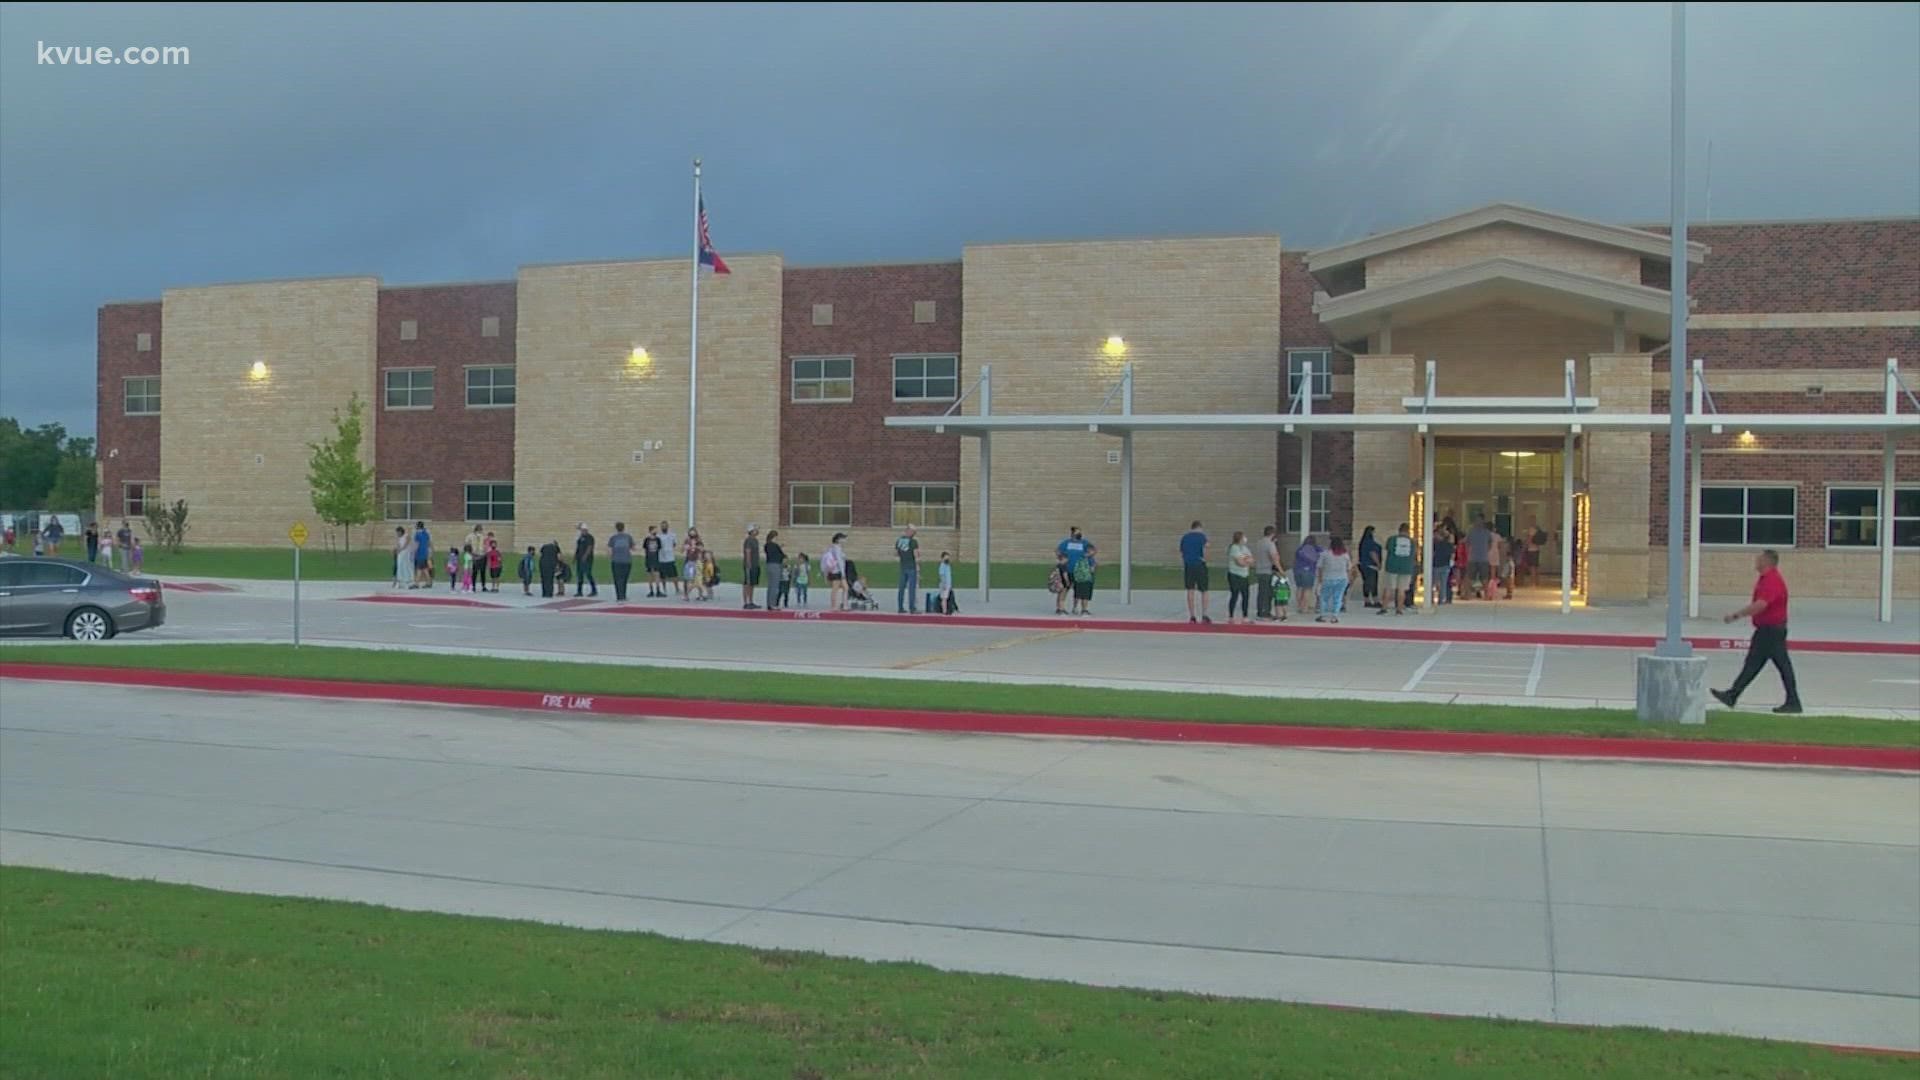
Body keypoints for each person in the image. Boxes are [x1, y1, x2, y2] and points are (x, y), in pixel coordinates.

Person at [1712, 550, 1803, 714]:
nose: (1756, 561)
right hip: (1769, 630)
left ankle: (1793, 701)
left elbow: (1761, 604)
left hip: (1771, 631)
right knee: (1757, 664)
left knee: (1774, 665)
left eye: (1759, 559)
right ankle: (1733, 695)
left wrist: (1736, 615)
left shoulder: (1772, 581)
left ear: (1767, 562)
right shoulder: (1766, 579)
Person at [1379, 523, 1416, 616]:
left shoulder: (1392, 539)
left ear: (1399, 530)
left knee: (1388, 588)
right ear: (1408, 531)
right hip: (1406, 568)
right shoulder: (1412, 542)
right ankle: (1399, 609)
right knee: (1401, 590)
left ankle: (1384, 608)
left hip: (1392, 567)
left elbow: (1388, 549)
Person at [1180, 520, 1211, 624]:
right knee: (1204, 590)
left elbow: (1182, 551)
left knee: (1190, 590)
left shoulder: (1185, 537)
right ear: (1199, 527)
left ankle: (1192, 616)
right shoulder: (1202, 537)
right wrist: (1206, 559)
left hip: (1189, 565)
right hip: (1199, 565)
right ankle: (1204, 615)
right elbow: (1205, 549)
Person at [1316, 535, 1352, 623]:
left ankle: (1322, 615)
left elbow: (1319, 567)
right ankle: (1335, 616)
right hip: (1342, 578)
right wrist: (1349, 578)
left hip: (1327, 578)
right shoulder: (1345, 555)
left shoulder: (1325, 554)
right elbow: (1349, 568)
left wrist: (1320, 579)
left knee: (1324, 597)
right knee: (1338, 598)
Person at [1225, 530, 1253, 624]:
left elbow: (1251, 559)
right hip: (1234, 575)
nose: (1245, 539)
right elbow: (1239, 562)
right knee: (1235, 595)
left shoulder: (1244, 548)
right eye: (1243, 537)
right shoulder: (1234, 548)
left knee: (1246, 595)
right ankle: (1231, 616)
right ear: (1240, 539)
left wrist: (1246, 560)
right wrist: (1246, 561)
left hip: (1244, 575)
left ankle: (1245, 616)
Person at [1254, 525, 1281, 621]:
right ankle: (1264, 613)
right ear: (1272, 534)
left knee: (1261, 593)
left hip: (1259, 570)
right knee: (1267, 593)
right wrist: (1280, 570)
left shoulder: (1259, 542)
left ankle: (1261, 611)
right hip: (1267, 571)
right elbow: (1274, 557)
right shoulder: (1270, 544)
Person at [1292, 533, 1321, 617]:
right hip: (1308, 571)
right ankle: (1305, 608)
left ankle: (1299, 606)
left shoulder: (1300, 549)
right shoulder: (1316, 548)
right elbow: (1323, 554)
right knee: (1307, 589)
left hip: (1297, 571)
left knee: (1299, 587)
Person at [608, 522, 636, 601]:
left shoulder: (613, 538)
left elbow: (609, 549)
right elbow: (633, 548)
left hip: (616, 561)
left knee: (617, 579)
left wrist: (611, 557)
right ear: (624, 528)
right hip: (626, 561)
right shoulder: (628, 537)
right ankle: (623, 595)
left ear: (616, 528)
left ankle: (619, 596)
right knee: (624, 578)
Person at [1466, 517, 1494, 600]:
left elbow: (1467, 544)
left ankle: (1484, 595)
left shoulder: (1483, 532)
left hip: (1478, 558)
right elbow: (1490, 544)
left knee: (1481, 578)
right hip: (1478, 558)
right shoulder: (1473, 532)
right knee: (1474, 577)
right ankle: (1471, 595)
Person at [1070, 538, 1097, 616]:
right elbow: (1092, 570)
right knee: (1085, 596)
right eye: (1093, 551)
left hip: (1078, 579)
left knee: (1077, 594)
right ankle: (1084, 610)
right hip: (1087, 579)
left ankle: (1074, 608)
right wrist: (1095, 566)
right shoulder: (1090, 559)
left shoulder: (1080, 557)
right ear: (1090, 551)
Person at [1357, 526, 1382, 609]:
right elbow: (1372, 553)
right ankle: (1376, 600)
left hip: (1363, 565)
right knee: (1373, 583)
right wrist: (1378, 564)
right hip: (1371, 566)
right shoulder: (1371, 543)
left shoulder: (1363, 542)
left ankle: (1367, 600)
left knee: (1366, 583)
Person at [823, 533, 848, 611]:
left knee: (846, 587)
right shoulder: (836, 548)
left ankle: (844, 605)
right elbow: (839, 561)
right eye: (842, 538)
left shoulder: (833, 548)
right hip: (836, 571)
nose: (844, 540)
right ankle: (834, 606)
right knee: (835, 589)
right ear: (837, 539)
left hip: (836, 571)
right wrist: (843, 573)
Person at [763, 529, 787, 610]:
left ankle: (769, 603)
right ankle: (773, 604)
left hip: (769, 565)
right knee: (775, 586)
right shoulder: (774, 545)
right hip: (775, 565)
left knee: (770, 585)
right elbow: (781, 555)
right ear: (774, 537)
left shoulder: (767, 545)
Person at [1432, 527, 1455, 605]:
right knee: (1443, 584)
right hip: (1445, 566)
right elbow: (1452, 555)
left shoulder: (1435, 544)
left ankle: (1431, 598)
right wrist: (1451, 564)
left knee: (1433, 583)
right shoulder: (1449, 545)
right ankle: (1441, 600)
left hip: (1436, 565)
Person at [742, 525, 763, 610]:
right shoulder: (748, 540)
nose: (757, 531)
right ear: (751, 531)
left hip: (755, 565)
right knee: (747, 583)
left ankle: (751, 601)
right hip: (749, 566)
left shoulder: (755, 540)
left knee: (752, 584)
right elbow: (748, 552)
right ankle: (746, 602)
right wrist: (748, 564)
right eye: (755, 530)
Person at [573, 523, 597, 598]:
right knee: (579, 574)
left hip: (587, 559)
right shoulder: (580, 538)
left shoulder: (590, 537)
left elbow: (589, 547)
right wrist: (575, 557)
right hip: (579, 559)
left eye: (581, 529)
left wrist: (585, 556)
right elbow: (578, 548)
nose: (580, 531)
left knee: (588, 574)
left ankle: (594, 590)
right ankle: (579, 591)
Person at [656, 521, 678, 599]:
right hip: (661, 558)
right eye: (662, 526)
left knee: (674, 575)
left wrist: (669, 549)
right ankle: (664, 589)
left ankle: (677, 589)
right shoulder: (658, 536)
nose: (664, 527)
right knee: (663, 576)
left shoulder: (672, 535)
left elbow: (674, 544)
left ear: (668, 526)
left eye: (665, 526)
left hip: (670, 557)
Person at [642, 525, 664, 598]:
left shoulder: (658, 539)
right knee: (650, 575)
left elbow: (659, 548)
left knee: (657, 575)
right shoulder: (646, 540)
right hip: (649, 559)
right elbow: (645, 549)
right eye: (654, 530)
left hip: (656, 559)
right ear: (650, 531)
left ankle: (658, 590)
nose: (656, 531)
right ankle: (651, 591)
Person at [413, 521, 433, 587]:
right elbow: (429, 543)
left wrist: (413, 553)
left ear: (418, 526)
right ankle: (429, 583)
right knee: (425, 569)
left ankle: (416, 584)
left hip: (420, 554)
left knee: (419, 569)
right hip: (425, 553)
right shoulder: (426, 533)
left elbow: (416, 545)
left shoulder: (417, 534)